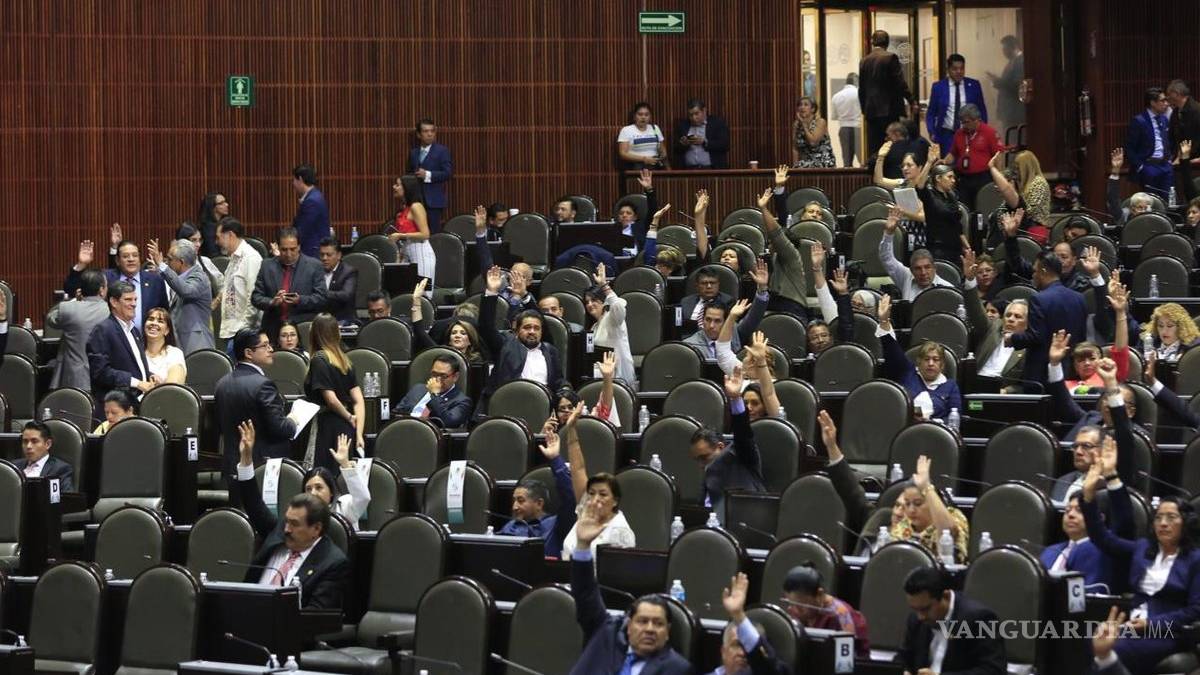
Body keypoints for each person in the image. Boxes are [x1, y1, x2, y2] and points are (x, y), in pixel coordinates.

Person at [1081, 439, 1200, 674]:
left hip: (1166, 632)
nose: (1163, 523)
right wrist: (1088, 497)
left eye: (1171, 518)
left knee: (1116, 649)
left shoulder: (1195, 560)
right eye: (1158, 518)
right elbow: (1103, 539)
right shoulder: (1143, 548)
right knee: (1088, 642)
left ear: (1186, 523)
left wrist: (1150, 624)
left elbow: (1195, 610)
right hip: (1131, 626)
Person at [233, 420, 349, 608]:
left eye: (295, 524)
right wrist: (246, 459)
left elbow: (316, 615)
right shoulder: (280, 531)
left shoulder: (331, 563)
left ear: (316, 529)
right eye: (287, 521)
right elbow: (254, 505)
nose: (287, 529)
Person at [567, 500, 692, 674]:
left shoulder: (677, 669)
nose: (650, 629)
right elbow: (585, 592)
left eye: (658, 624)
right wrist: (583, 545)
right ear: (629, 625)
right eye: (642, 621)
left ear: (668, 632)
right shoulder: (606, 633)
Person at [215, 329, 299, 483]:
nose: (271, 349)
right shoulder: (263, 385)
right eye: (265, 345)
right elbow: (280, 428)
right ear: (249, 353)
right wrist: (293, 420)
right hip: (262, 468)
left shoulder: (222, 383)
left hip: (232, 465)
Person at [478, 266, 564, 413]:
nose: (532, 331)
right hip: (508, 406)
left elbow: (559, 382)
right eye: (527, 327)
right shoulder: (505, 345)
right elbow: (486, 327)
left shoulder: (550, 350)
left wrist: (524, 295)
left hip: (542, 408)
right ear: (516, 331)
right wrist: (491, 292)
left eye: (536, 328)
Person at [689, 367, 767, 521]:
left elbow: (743, 434)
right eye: (698, 459)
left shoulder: (741, 455)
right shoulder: (708, 475)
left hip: (746, 522)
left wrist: (736, 399)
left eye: (704, 457)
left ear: (720, 447)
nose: (701, 465)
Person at [898, 567, 1007, 674]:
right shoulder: (916, 618)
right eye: (915, 609)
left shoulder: (980, 619)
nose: (921, 617)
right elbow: (903, 658)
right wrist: (905, 670)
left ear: (945, 596)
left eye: (926, 609)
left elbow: (993, 670)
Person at [1006, 251, 1089, 392]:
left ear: (1043, 271)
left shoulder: (1039, 299)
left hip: (1042, 375)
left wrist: (1012, 338)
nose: (1033, 275)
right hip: (1070, 371)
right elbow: (1081, 337)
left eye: (1035, 271)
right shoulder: (1079, 298)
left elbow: (1035, 336)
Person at [65, 223, 168, 331]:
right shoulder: (106, 277)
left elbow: (164, 312)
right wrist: (81, 264)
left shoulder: (155, 280)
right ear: (117, 260)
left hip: (147, 338)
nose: (131, 259)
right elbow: (71, 289)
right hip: (112, 337)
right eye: (125, 256)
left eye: (135, 255)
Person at [877, 295, 963, 422]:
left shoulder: (950, 386)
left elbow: (955, 417)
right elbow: (892, 350)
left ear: (942, 365)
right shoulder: (908, 373)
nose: (931, 363)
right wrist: (884, 321)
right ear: (919, 362)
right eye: (926, 359)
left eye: (935, 359)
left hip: (936, 431)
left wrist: (932, 422)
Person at [499, 430, 577, 558]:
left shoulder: (556, 525)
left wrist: (555, 459)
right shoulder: (511, 526)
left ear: (539, 503)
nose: (514, 507)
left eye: (521, 500)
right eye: (514, 501)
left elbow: (571, 498)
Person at [304, 313, 365, 473]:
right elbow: (358, 400)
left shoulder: (319, 359)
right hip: (346, 428)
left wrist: (349, 417)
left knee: (325, 475)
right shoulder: (345, 361)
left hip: (328, 426)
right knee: (342, 474)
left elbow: (330, 400)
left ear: (314, 334)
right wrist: (358, 433)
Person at [964, 247, 1028, 387]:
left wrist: (1008, 392)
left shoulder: (1028, 346)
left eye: (1017, 317)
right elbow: (975, 310)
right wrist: (970, 280)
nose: (1011, 319)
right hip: (977, 383)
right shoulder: (993, 327)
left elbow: (1027, 386)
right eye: (1008, 315)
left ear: (1026, 324)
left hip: (1001, 392)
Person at [251, 227, 327, 343]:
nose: (288, 254)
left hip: (303, 329)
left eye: (293, 249)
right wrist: (272, 302)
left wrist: (300, 300)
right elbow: (256, 298)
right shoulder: (267, 266)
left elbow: (322, 298)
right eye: (284, 249)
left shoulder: (314, 266)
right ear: (278, 247)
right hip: (273, 329)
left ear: (299, 247)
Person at [87, 281, 154, 411]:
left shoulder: (134, 331)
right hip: (116, 406)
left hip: (136, 403)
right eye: (128, 299)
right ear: (114, 302)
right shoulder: (103, 330)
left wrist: (149, 375)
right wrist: (137, 383)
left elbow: (132, 364)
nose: (134, 304)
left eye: (135, 299)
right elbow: (100, 372)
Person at [779, 564, 869, 658]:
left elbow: (847, 661)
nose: (795, 610)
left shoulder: (841, 617)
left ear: (819, 594)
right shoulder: (798, 612)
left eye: (800, 605)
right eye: (790, 603)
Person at [710, 572, 791, 675]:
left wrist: (738, 616)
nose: (742, 653)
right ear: (723, 651)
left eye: (748, 648)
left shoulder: (771, 671)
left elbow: (767, 667)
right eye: (736, 645)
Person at [48, 261, 110, 391]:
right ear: (101, 290)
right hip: (105, 376)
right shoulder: (111, 311)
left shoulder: (68, 309)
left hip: (74, 377)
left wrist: (75, 300)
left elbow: (51, 319)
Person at [147, 238, 213, 354]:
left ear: (181, 262)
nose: (167, 263)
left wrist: (162, 266)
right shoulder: (180, 278)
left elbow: (186, 290)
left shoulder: (199, 277)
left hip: (195, 344)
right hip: (180, 341)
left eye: (170, 259)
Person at [879, 207, 955, 300]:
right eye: (918, 268)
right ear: (911, 270)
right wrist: (888, 233)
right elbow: (886, 258)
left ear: (934, 268)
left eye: (927, 267)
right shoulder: (906, 277)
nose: (923, 273)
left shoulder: (948, 290)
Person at [858, 30, 913, 158]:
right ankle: (890, 169)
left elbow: (862, 89)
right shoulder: (891, 57)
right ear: (887, 43)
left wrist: (864, 109)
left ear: (872, 42)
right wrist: (911, 99)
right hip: (889, 110)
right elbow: (899, 82)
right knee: (891, 144)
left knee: (874, 147)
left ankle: (875, 168)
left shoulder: (864, 60)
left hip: (871, 111)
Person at [1039, 493, 1113, 588]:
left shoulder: (1103, 552)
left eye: (1079, 510)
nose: (1070, 515)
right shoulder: (1050, 551)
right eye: (1067, 510)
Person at [940, 104, 1003, 210]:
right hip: (963, 178)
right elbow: (953, 153)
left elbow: (998, 156)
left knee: (982, 207)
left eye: (966, 122)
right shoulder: (959, 134)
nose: (964, 125)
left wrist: (999, 179)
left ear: (977, 120)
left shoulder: (989, 132)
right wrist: (944, 162)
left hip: (983, 178)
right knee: (965, 207)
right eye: (962, 122)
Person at [216, 218, 263, 354]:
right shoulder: (233, 259)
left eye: (219, 237)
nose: (217, 242)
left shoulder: (251, 258)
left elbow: (253, 298)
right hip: (231, 331)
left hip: (242, 333)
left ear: (230, 235)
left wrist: (244, 330)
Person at [585, 263, 636, 388]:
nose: (590, 304)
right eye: (587, 302)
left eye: (594, 300)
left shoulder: (612, 319)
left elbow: (618, 306)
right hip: (602, 377)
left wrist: (604, 285)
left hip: (620, 378)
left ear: (604, 301)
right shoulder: (594, 327)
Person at [926, 54, 988, 154]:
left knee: (969, 160)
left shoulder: (974, 85)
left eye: (961, 68)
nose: (959, 72)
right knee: (948, 161)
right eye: (955, 69)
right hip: (947, 135)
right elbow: (931, 112)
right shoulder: (938, 87)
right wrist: (931, 131)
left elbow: (982, 110)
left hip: (969, 133)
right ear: (948, 69)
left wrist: (982, 131)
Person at [988, 150, 1052, 244]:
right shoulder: (1021, 182)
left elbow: (1030, 210)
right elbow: (1006, 177)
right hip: (1020, 224)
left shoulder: (1038, 183)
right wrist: (998, 167)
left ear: (1026, 167)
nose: (1015, 170)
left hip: (1032, 227)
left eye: (1018, 167)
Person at [392, 355, 473, 429]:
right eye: (434, 374)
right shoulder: (418, 389)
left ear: (455, 376)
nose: (437, 379)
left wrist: (434, 394)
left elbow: (448, 423)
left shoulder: (462, 401)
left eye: (443, 376)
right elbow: (397, 412)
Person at [1124, 88, 1175, 201]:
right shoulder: (1139, 121)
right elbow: (1130, 147)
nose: (1166, 104)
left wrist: (1170, 160)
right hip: (1149, 165)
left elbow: (1169, 141)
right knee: (1152, 202)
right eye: (1162, 101)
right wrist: (1140, 167)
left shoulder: (1164, 119)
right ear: (1152, 103)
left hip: (1165, 165)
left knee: (1169, 201)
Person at [385, 175, 436, 286]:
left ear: (407, 188)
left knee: (422, 292)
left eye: (397, 185)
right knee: (405, 289)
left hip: (421, 252)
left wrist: (400, 235)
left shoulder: (416, 206)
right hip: (407, 251)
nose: (394, 187)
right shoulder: (404, 209)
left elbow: (425, 234)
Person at [407, 118, 453, 234]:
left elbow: (448, 173)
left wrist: (427, 175)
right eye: (426, 131)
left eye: (432, 131)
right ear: (418, 134)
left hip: (433, 200)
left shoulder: (442, 151)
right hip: (416, 201)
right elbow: (409, 175)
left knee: (432, 233)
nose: (430, 134)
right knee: (415, 231)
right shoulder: (414, 153)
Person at [175, 222, 226, 308]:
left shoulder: (205, 262)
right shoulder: (172, 265)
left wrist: (216, 301)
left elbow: (224, 286)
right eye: (193, 240)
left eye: (199, 240)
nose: (198, 244)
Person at [14, 421, 74, 491]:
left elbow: (66, 496)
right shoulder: (14, 467)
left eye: (34, 441)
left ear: (48, 444)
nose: (28, 446)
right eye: (25, 441)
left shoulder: (60, 470)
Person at [673, 98, 730, 169]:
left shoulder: (717, 123)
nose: (694, 118)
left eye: (696, 114)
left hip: (712, 169)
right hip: (688, 170)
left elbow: (725, 144)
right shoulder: (683, 126)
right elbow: (675, 148)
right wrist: (683, 144)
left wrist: (704, 142)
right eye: (691, 115)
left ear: (704, 111)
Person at [1106, 149, 1156, 228]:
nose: (1143, 211)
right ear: (1132, 209)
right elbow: (1113, 199)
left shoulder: (1156, 221)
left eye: (1146, 208)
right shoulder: (1124, 217)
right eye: (1140, 208)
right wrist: (1115, 171)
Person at [290, 164, 330, 258]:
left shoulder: (312, 201)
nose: (293, 184)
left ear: (300, 179)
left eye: (294, 180)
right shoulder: (314, 196)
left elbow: (302, 230)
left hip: (312, 253)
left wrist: (286, 243)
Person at [986, 35, 1025, 132]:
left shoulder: (1020, 62)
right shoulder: (1012, 62)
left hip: (1015, 113)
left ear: (1014, 47)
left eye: (1005, 49)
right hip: (1009, 113)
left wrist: (997, 81)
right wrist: (996, 80)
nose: (1003, 52)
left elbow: (1017, 86)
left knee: (1013, 138)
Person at [318, 237, 358, 325]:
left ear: (339, 255)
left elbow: (346, 295)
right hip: (319, 318)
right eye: (322, 254)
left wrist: (321, 293)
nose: (324, 258)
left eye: (329, 255)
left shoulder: (349, 272)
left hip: (342, 319)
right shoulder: (316, 271)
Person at [142, 307, 186, 385]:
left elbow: (173, 387)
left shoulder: (174, 353)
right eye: (151, 319)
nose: (154, 323)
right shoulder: (136, 352)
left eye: (160, 321)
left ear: (167, 330)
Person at [618, 101, 668, 169]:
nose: (643, 117)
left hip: (655, 163)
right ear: (634, 116)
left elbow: (663, 150)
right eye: (640, 114)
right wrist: (644, 159)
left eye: (646, 115)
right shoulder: (626, 130)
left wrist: (662, 157)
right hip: (636, 164)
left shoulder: (655, 128)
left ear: (650, 117)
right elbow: (623, 154)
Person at [791, 97, 835, 168]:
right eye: (800, 105)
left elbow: (813, 142)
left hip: (823, 161)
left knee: (803, 167)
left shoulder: (820, 122)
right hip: (805, 162)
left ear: (813, 109)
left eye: (806, 105)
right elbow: (795, 148)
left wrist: (804, 125)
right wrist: (794, 166)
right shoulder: (796, 124)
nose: (802, 107)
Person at [830, 73, 862, 167]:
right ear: (857, 82)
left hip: (844, 128)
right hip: (858, 128)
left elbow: (834, 116)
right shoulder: (859, 94)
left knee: (847, 160)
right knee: (862, 158)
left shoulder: (836, 96)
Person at [195, 191, 231, 258]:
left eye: (225, 202)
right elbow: (213, 253)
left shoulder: (224, 223)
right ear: (212, 207)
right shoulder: (208, 227)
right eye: (221, 203)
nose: (226, 204)